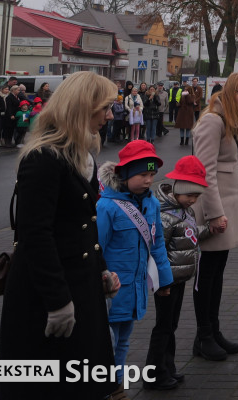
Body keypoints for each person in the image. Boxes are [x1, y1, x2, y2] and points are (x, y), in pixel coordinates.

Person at [0, 71, 126, 400]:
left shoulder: (82, 157)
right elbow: (35, 235)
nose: (110, 116)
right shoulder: (43, 158)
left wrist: (100, 271)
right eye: (105, 108)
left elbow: (86, 223)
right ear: (83, 107)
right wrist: (57, 302)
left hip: (80, 287)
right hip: (46, 294)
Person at [191, 72, 238, 362]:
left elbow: (235, 167)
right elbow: (204, 172)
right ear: (231, 92)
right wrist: (215, 214)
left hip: (227, 207)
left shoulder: (230, 121)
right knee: (206, 275)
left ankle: (213, 330)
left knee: (217, 273)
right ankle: (203, 335)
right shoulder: (213, 121)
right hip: (214, 210)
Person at [97, 140, 174, 370]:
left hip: (135, 290)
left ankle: (118, 383)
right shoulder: (107, 207)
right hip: (112, 290)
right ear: (125, 174)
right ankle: (107, 384)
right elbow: (97, 249)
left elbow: (157, 244)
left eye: (152, 174)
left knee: (123, 342)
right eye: (142, 175)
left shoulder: (152, 203)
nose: (149, 180)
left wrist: (164, 280)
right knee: (107, 344)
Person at [144, 156, 210, 391]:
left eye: (196, 196)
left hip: (179, 277)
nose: (193, 200)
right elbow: (157, 248)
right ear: (178, 189)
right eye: (190, 195)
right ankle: (154, 373)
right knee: (163, 326)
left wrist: (208, 230)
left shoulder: (185, 211)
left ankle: (167, 366)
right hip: (167, 280)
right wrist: (162, 281)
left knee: (171, 325)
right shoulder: (165, 215)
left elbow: (188, 235)